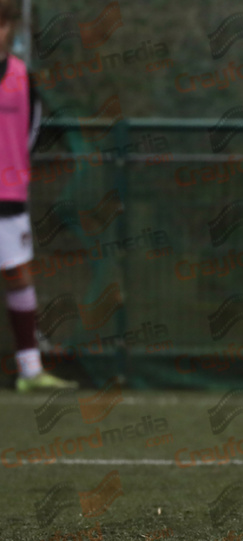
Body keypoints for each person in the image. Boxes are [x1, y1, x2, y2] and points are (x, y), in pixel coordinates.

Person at [0, 0, 77, 391]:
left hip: (9, 194)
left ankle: (30, 369)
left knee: (18, 274)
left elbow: (30, 132)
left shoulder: (21, 76)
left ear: (11, 27)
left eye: (1, 23)